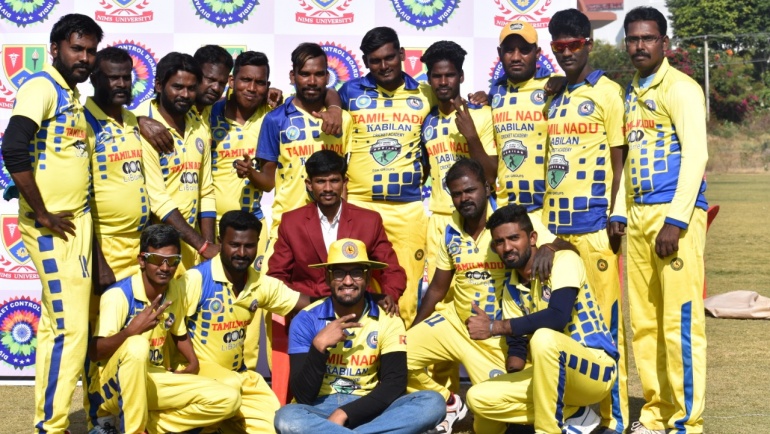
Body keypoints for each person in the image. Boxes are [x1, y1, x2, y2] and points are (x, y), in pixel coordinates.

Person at [0, 13, 103, 433]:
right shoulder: (42, 87)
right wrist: (41, 211)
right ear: (55, 48)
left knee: (58, 326)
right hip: (51, 229)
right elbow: (13, 146)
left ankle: (49, 418)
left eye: (90, 51)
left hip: (77, 225)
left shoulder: (72, 95)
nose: (84, 57)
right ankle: (51, 426)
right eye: (77, 49)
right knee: (71, 330)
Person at [620, 7, 709, 434]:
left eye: (648, 38)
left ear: (664, 43)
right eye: (633, 39)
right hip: (637, 216)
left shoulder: (682, 88)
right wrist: (621, 213)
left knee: (679, 322)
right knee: (645, 323)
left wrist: (676, 220)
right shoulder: (630, 91)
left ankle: (687, 422)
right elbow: (629, 159)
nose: (639, 46)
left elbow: (697, 155)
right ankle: (655, 413)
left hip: (673, 216)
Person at [544, 9, 629, 434]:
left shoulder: (609, 93)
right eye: (558, 47)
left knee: (605, 326)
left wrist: (617, 212)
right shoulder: (554, 95)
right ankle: (580, 410)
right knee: (566, 325)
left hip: (594, 229)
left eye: (573, 46)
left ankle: (615, 418)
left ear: (588, 45)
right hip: (556, 232)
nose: (565, 54)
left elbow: (621, 161)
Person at [464, 204, 618, 434]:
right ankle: (574, 415)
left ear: (533, 237)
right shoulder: (511, 289)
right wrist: (512, 383)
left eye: (514, 238)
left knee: (545, 338)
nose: (507, 247)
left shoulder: (563, 260)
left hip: (595, 369)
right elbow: (517, 345)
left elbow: (557, 316)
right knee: (477, 397)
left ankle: (549, 430)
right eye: (499, 242)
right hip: (551, 375)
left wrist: (495, 326)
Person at [274, 238, 446, 434]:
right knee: (286, 418)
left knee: (433, 403)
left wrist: (343, 413)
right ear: (328, 277)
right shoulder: (306, 319)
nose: (348, 281)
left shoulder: (388, 319)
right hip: (317, 410)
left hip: (369, 408)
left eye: (356, 273)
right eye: (339, 273)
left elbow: (394, 384)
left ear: (368, 277)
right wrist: (319, 346)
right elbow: (303, 395)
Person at [87, 224, 239, 434]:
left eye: (173, 261)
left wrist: (193, 362)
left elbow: (179, 333)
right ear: (142, 260)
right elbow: (95, 353)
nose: (165, 268)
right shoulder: (118, 296)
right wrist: (130, 332)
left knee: (228, 399)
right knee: (137, 345)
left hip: (155, 377)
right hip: (112, 387)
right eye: (158, 260)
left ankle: (151, 426)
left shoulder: (173, 289)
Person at [177, 210, 312, 432]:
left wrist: (357, 300)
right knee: (227, 390)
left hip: (238, 377)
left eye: (249, 246)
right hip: (197, 377)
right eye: (234, 245)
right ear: (220, 242)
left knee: (274, 425)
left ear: (258, 244)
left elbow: (306, 303)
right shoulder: (196, 279)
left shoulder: (259, 283)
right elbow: (171, 327)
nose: (241, 253)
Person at [338, 26, 436, 327]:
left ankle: (399, 365)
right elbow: (324, 103)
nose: (384, 65)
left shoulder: (425, 93)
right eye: (375, 60)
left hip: (407, 209)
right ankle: (359, 366)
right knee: (356, 289)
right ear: (366, 62)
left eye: (390, 57)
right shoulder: (349, 92)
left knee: (404, 294)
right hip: (361, 204)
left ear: (403, 55)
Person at [405, 159, 506, 434]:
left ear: (486, 187)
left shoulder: (507, 220)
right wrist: (415, 328)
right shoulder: (450, 227)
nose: (464, 199)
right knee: (397, 354)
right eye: (457, 194)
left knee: (490, 422)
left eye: (470, 190)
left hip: (493, 336)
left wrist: (550, 248)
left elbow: (552, 242)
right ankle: (449, 403)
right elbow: (438, 287)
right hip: (455, 323)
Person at [253, 43, 351, 264]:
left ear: (327, 76)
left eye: (318, 74)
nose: (312, 81)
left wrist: (344, 221)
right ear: (292, 75)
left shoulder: (343, 119)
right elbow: (268, 180)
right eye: (305, 74)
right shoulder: (275, 119)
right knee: (276, 290)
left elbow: (347, 178)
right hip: (287, 222)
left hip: (333, 223)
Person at [268, 149, 406, 301]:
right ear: (309, 184)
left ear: (344, 182)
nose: (328, 188)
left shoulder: (369, 221)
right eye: (320, 181)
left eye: (334, 181)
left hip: (357, 308)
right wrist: (304, 308)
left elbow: (392, 269)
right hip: (308, 310)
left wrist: (389, 296)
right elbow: (277, 275)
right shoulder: (291, 222)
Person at [419, 40, 497, 281]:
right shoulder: (427, 120)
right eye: (437, 76)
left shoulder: (482, 115)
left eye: (450, 75)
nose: (443, 82)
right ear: (429, 79)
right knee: (439, 297)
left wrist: (471, 136)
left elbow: (492, 176)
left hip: (475, 219)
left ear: (461, 77)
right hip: (439, 220)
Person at [135, 52, 218, 273]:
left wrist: (207, 248)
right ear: (159, 85)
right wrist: (202, 245)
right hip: (157, 250)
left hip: (193, 247)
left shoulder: (198, 125)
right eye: (178, 87)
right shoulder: (142, 125)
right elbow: (158, 199)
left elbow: (206, 191)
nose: (185, 94)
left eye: (192, 88)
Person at [86, 46, 150, 290]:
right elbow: (79, 201)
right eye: (113, 78)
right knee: (103, 324)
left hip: (139, 247)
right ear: (95, 79)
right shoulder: (83, 124)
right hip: (105, 247)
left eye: (126, 77)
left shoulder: (133, 120)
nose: (122, 84)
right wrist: (98, 261)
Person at [488, 20, 557, 244]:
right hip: (506, 213)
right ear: (500, 53)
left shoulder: (554, 87)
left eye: (524, 50)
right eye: (509, 50)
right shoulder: (495, 92)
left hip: (546, 209)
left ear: (537, 53)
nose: (516, 57)